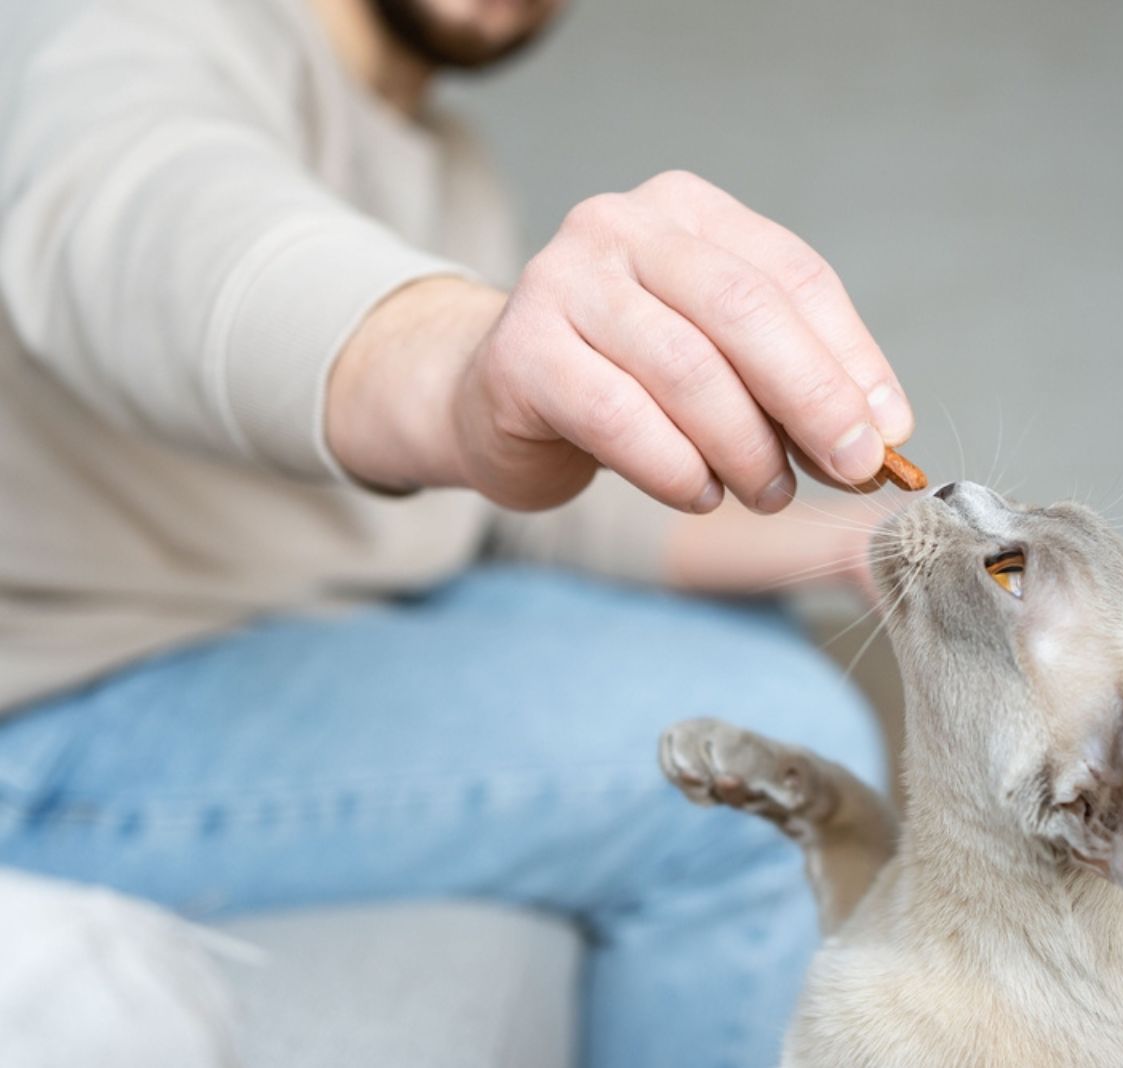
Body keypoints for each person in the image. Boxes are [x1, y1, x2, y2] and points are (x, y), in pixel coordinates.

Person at [0, 0, 914, 1065]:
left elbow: (501, 503)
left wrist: (851, 539)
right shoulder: (134, 32)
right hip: (64, 715)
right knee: (768, 756)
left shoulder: (447, 170)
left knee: (747, 637)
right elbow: (156, 229)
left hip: (269, 630)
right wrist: (463, 362)